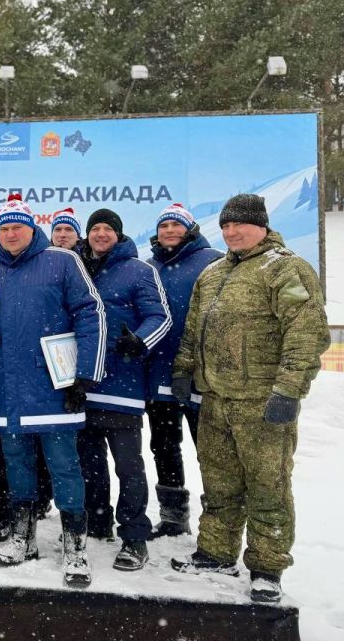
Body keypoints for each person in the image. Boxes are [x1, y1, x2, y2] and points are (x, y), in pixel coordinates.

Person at [170, 194, 330, 603]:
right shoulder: (213, 273)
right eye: (225, 226)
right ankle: (216, 552)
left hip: (262, 402)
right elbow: (193, 330)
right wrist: (184, 370)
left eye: (239, 225)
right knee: (219, 483)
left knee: (267, 486)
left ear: (261, 226)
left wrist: (288, 390)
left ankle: (267, 565)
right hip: (216, 401)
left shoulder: (285, 269)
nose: (231, 232)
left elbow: (307, 334)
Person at [0, 193, 105, 588]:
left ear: (33, 229)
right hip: (6, 388)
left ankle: (75, 546)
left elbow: (91, 311)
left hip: (53, 388)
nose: (11, 234)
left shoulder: (63, 261)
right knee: (17, 466)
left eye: (18, 227)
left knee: (64, 466)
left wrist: (83, 375)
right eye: (5, 228)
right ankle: (23, 537)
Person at [77, 208, 171, 571]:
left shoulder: (139, 269)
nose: (101, 234)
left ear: (118, 234)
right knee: (89, 463)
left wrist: (140, 341)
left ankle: (134, 535)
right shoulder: (77, 267)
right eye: (95, 228)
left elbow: (159, 316)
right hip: (82, 385)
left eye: (107, 229)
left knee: (128, 467)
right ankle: (97, 521)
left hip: (122, 386)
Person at [144, 203, 223, 537]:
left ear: (191, 229)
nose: (170, 231)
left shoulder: (214, 261)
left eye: (176, 225)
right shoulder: (147, 267)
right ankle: (174, 517)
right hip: (160, 375)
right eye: (164, 227)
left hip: (200, 377)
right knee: (163, 445)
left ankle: (218, 525)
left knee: (209, 451)